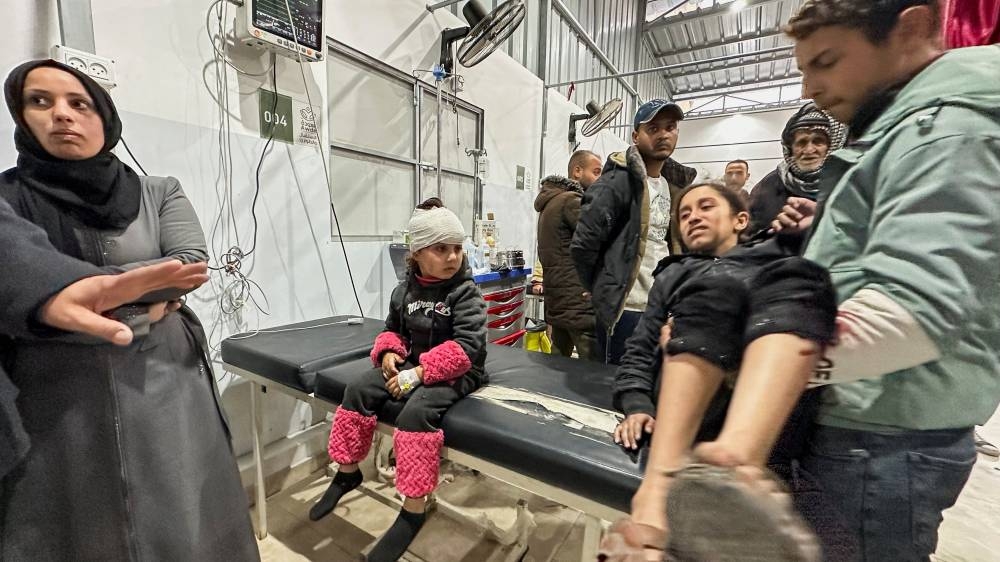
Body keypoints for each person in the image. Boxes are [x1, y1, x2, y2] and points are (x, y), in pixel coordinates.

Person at [768, 1, 1000, 559]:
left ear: (913, 29)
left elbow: (910, 316)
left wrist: (758, 367)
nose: (809, 88)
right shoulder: (905, 130)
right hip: (871, 427)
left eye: (826, 61)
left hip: (881, 438)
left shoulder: (944, 128)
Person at [0, 60, 258, 561]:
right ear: (21, 116)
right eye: (41, 102)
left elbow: (187, 264)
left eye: (80, 104)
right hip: (54, 390)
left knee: (182, 507)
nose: (62, 115)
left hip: (164, 376)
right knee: (75, 522)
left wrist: (65, 298)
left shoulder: (158, 191)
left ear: (105, 117)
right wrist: (141, 301)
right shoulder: (7, 202)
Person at [601, 182, 842, 561]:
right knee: (711, 293)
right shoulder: (673, 276)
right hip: (691, 414)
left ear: (740, 220)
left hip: (759, 415)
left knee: (799, 280)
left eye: (706, 207)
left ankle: (726, 468)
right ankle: (666, 487)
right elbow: (639, 349)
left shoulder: (777, 264)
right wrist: (635, 404)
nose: (693, 216)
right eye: (684, 213)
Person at [309, 201, 487, 562]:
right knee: (358, 388)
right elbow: (393, 331)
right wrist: (390, 354)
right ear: (418, 253)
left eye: (457, 248)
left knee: (415, 414)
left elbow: (468, 347)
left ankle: (413, 509)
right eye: (441, 249)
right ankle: (347, 473)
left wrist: (419, 374)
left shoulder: (465, 293)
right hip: (411, 364)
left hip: (459, 370)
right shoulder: (403, 292)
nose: (452, 257)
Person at [572, 99, 696, 365]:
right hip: (625, 309)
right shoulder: (615, 184)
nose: (663, 134)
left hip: (663, 306)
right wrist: (598, 286)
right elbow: (584, 244)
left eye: (670, 127)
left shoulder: (675, 186)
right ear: (635, 136)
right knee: (616, 386)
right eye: (653, 128)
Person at [534, 149, 603, 360]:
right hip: (577, 300)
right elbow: (597, 236)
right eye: (597, 172)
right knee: (592, 366)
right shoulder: (571, 200)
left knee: (558, 360)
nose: (601, 179)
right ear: (577, 171)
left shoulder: (551, 202)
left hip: (559, 298)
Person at [745, 102, 846, 237]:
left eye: (818, 141)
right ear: (791, 149)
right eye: (801, 143)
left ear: (832, 145)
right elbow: (749, 233)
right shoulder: (768, 185)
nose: (809, 150)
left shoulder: (848, 180)